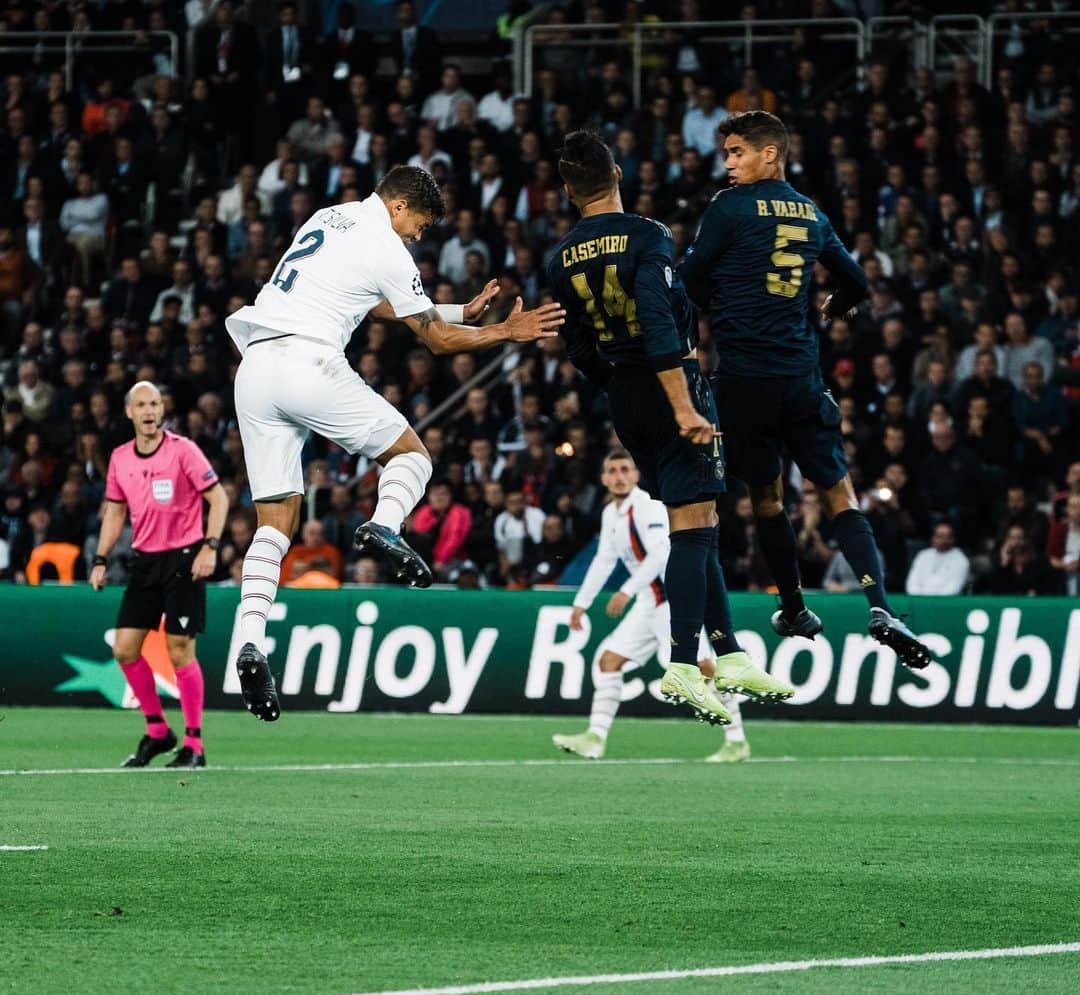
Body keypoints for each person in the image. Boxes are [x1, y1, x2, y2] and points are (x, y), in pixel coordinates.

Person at [224, 165, 565, 721]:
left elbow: (370, 301)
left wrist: (458, 309)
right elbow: (434, 340)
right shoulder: (386, 242)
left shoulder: (328, 217)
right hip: (308, 363)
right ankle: (384, 524)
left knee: (274, 523)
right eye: (420, 226)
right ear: (401, 206)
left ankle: (249, 639)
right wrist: (505, 331)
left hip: (255, 368)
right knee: (410, 456)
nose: (417, 237)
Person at [546, 130, 792, 723]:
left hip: (626, 394)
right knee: (694, 523)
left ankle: (728, 653)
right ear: (618, 175)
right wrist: (681, 404)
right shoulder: (646, 235)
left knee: (698, 516)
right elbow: (658, 321)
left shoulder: (559, 257)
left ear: (568, 190)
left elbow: (576, 342)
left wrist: (617, 386)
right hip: (671, 385)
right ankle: (685, 662)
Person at [679, 111, 933, 670]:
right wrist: (835, 305)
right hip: (800, 377)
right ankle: (880, 606)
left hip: (743, 382)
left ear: (771, 154)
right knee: (839, 494)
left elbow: (689, 279)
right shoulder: (811, 212)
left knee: (766, 499)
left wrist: (720, 297)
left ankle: (793, 607)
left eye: (738, 152)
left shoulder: (728, 208)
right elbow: (858, 281)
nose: (728, 163)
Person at [551, 451, 751, 762]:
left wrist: (626, 591)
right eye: (612, 471)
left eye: (624, 470)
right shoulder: (611, 513)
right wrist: (581, 603)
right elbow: (604, 560)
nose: (618, 476)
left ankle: (737, 740)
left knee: (703, 669)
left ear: (634, 475)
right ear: (604, 479)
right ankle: (595, 738)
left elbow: (661, 552)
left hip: (671, 600)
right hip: (649, 601)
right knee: (608, 661)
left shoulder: (647, 507)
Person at [90, 382, 228, 769]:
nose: (149, 410)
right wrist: (100, 558)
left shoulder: (182, 450)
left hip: (185, 559)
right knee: (124, 649)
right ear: (129, 413)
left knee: (180, 650)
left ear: (162, 409)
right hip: (145, 561)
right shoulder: (120, 458)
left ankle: (194, 744)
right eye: (141, 405)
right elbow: (115, 512)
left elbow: (218, 498)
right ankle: (157, 732)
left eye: (155, 403)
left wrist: (210, 546)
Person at [905, 522, 970, 596]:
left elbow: (954, 589)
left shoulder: (960, 560)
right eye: (936, 535)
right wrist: (921, 597)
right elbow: (912, 583)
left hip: (945, 603)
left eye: (942, 536)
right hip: (920, 600)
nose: (937, 539)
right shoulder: (923, 555)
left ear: (951, 539)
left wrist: (931, 599)